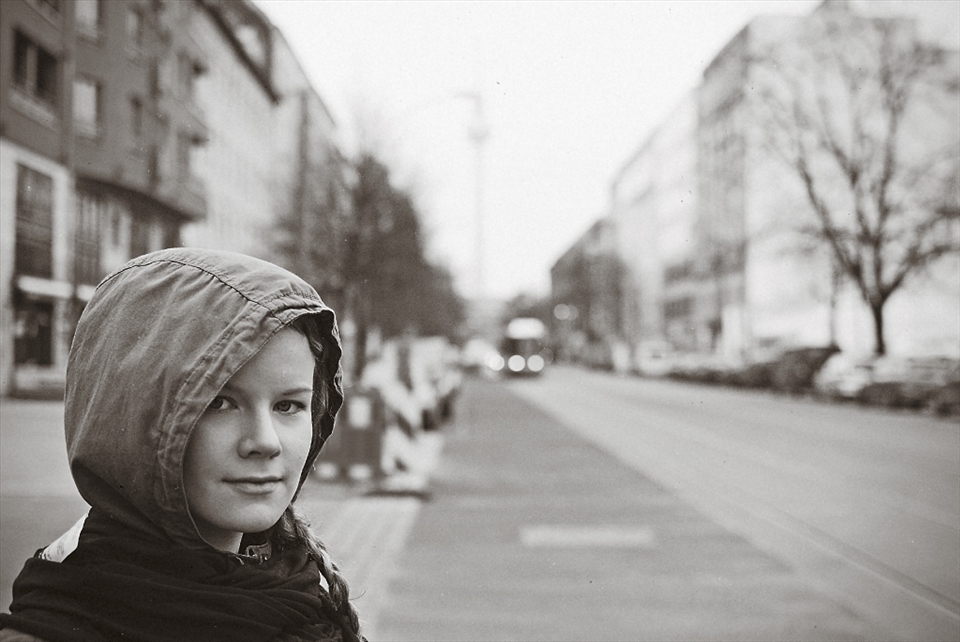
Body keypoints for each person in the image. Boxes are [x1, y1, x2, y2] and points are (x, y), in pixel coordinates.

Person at [0, 248, 365, 642]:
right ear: (132, 411)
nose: (264, 441)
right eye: (219, 403)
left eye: (288, 405)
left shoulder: (309, 595)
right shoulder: (56, 623)